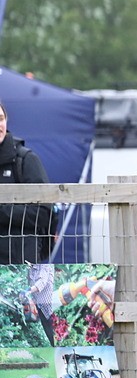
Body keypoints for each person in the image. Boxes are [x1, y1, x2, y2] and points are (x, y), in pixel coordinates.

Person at [0, 100, 54, 264]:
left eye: (1, 119)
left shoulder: (25, 160)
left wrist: (2, 211)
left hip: (18, 267)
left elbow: (44, 214)